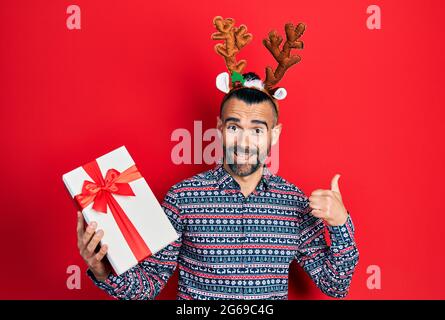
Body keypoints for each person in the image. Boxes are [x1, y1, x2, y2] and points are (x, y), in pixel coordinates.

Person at [76, 17, 359, 300]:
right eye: (234, 127)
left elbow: (335, 286)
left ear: (274, 134)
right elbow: (146, 287)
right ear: (221, 129)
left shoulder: (294, 203)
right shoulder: (183, 198)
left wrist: (340, 224)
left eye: (257, 130)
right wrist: (102, 270)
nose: (244, 141)